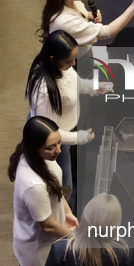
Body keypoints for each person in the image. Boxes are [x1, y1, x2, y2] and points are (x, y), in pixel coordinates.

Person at [8, 116, 79, 266]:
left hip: (42, 238)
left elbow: (56, 190)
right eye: (51, 147)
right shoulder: (34, 185)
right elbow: (47, 225)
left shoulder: (36, 158)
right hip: (38, 246)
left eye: (59, 143)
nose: (58, 150)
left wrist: (67, 213)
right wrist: (75, 236)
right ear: (34, 146)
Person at [26, 30, 110, 200]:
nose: (73, 63)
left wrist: (94, 87)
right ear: (52, 58)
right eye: (68, 61)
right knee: (63, 190)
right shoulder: (44, 93)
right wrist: (80, 137)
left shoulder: (60, 66)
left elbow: (73, 81)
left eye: (74, 59)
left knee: (64, 187)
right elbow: (50, 134)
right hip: (55, 143)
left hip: (63, 135)